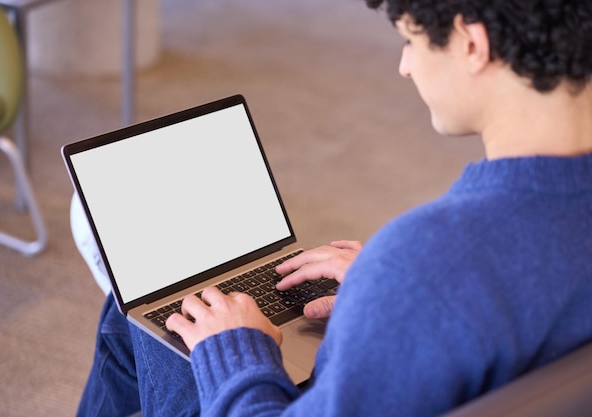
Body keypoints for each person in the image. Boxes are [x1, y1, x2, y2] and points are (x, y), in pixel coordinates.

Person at [76, 0, 592, 416]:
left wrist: (235, 351)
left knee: (150, 310)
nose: (405, 65)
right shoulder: (430, 266)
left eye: (410, 40)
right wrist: (381, 293)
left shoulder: (424, 260)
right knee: (148, 309)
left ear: (471, 43)